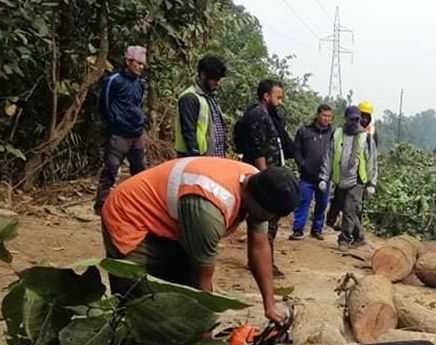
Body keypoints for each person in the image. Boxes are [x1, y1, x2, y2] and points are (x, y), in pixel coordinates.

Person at [101, 157, 300, 324]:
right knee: (140, 301)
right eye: (269, 215)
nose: (270, 221)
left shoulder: (258, 184)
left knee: (180, 294)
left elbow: (259, 247)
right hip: (130, 216)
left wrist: (270, 305)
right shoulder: (210, 208)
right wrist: (206, 330)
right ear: (255, 200)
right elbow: (202, 277)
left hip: (171, 222)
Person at [233, 79, 293, 278]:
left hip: (268, 173)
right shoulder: (258, 116)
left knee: (264, 221)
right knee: (266, 220)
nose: (280, 101)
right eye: (278, 97)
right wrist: (265, 176)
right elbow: (258, 148)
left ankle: (260, 261)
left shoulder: (267, 115)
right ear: (266, 96)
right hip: (265, 177)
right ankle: (263, 263)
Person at [94, 46, 148, 214]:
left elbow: (138, 104)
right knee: (111, 168)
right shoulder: (114, 80)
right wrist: (114, 122)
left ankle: (139, 205)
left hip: (136, 133)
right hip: (118, 134)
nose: (141, 67)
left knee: (139, 171)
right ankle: (101, 205)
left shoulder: (140, 83)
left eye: (142, 64)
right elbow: (104, 104)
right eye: (138, 63)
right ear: (128, 62)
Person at [324, 106, 378, 250]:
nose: (355, 122)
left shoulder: (365, 137)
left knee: (349, 209)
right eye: (352, 119)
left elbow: (372, 160)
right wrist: (324, 177)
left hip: (358, 179)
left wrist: (372, 183)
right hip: (340, 178)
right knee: (350, 210)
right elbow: (329, 156)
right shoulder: (337, 133)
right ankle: (359, 236)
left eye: (357, 119)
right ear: (346, 118)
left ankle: (344, 239)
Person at [290, 104, 335, 241]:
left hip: (325, 177)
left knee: (322, 204)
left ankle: (317, 230)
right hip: (307, 176)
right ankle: (298, 230)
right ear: (317, 115)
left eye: (329, 116)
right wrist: (302, 164)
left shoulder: (333, 134)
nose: (326, 119)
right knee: (303, 202)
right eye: (324, 115)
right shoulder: (304, 131)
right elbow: (296, 150)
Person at [174, 55, 229, 158]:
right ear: (203, 75)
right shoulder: (190, 97)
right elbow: (189, 132)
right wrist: (196, 158)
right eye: (215, 79)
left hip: (214, 157)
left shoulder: (209, 98)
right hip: (198, 158)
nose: (217, 83)